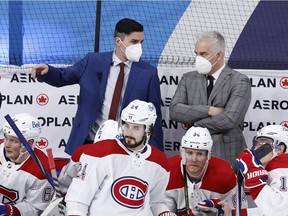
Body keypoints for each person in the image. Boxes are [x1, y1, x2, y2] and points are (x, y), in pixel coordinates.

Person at [31, 18, 163, 155]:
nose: (139, 47)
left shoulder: (149, 73)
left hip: (127, 148)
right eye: (134, 42)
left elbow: (154, 119)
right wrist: (47, 71)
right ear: (118, 42)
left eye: (141, 42)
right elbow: (63, 76)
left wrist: (156, 155)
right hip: (89, 142)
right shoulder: (92, 61)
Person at [64, 99, 170, 215]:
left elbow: (156, 202)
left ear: (148, 130)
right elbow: (78, 199)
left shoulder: (160, 162)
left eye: (136, 128)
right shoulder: (99, 152)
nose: (129, 132)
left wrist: (164, 212)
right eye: (127, 125)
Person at [169, 30, 251, 169]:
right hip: (193, 154)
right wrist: (209, 110)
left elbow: (229, 119)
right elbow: (175, 111)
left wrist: (195, 126)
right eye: (196, 54)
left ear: (218, 55)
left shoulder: (239, 81)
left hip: (227, 154)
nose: (198, 58)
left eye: (203, 54)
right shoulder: (188, 78)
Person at [158, 126, 248, 216]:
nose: (194, 159)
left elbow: (241, 211)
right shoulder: (166, 172)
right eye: (189, 153)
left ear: (208, 156)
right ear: (182, 153)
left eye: (199, 154)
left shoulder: (225, 174)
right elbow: (159, 210)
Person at [0, 113, 54, 216]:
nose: (6, 144)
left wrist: (8, 211)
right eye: (6, 138)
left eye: (13, 140)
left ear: (29, 143)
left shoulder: (42, 169)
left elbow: (36, 208)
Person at [236, 124, 288, 216]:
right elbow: (266, 211)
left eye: (262, 142)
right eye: (256, 143)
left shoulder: (282, 165)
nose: (256, 148)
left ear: (280, 148)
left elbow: (279, 211)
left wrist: (253, 174)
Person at [58, 119, 120, 194]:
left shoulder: (81, 151)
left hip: (80, 197)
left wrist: (64, 193)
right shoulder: (126, 157)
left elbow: (66, 180)